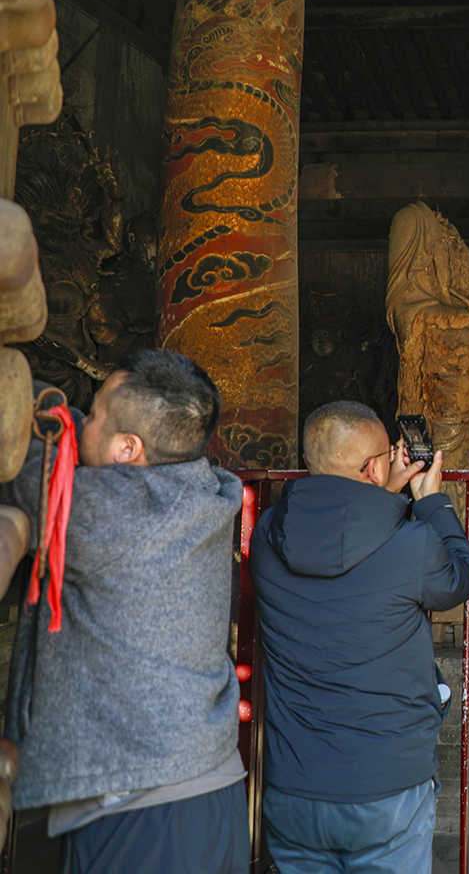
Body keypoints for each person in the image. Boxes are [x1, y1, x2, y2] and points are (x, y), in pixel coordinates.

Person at [0, 349, 248, 873]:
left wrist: (36, 400)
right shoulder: (203, 487)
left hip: (147, 812)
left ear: (126, 449)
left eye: (92, 413)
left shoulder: (117, 510)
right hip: (207, 788)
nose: (80, 421)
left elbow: (24, 472)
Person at [251, 400, 469, 873]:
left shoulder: (268, 536)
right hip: (386, 786)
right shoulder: (410, 544)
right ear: (374, 466)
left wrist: (383, 490)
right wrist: (431, 500)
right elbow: (459, 579)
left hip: (294, 785)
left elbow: (340, 530)